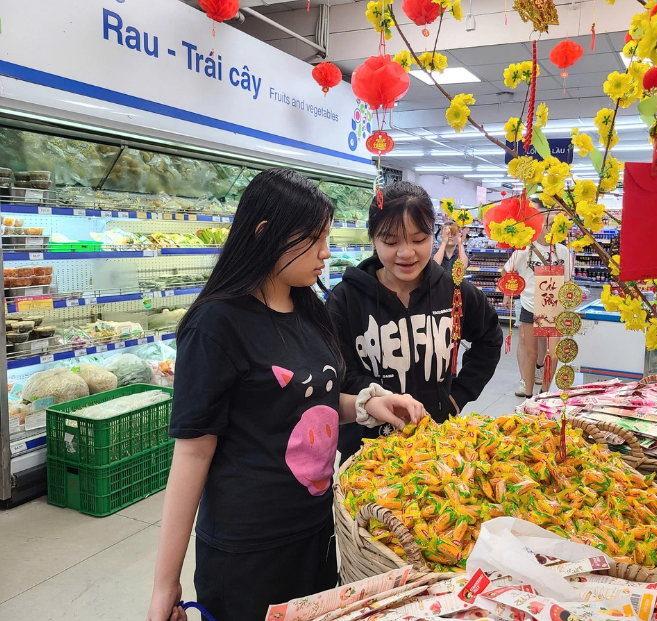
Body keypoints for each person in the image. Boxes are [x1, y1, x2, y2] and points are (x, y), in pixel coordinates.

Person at [147, 169, 424, 621]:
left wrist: (368, 405)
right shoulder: (217, 325)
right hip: (248, 550)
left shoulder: (309, 308)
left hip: (316, 533)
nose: (326, 252)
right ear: (264, 234)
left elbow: (308, 401)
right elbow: (193, 454)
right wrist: (165, 585)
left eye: (327, 236)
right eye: (314, 238)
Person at [328, 181, 503, 463]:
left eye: (419, 239)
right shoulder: (345, 300)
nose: (406, 253)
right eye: (391, 241)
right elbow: (337, 371)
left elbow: (490, 338)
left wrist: (456, 397)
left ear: (433, 236)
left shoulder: (454, 290)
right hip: (367, 454)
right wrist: (375, 399)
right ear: (373, 238)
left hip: (435, 446)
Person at [503, 204, 572, 398]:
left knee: (553, 354)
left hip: (553, 307)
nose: (553, 230)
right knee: (531, 353)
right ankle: (528, 395)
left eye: (558, 226)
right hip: (529, 304)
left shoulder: (563, 252)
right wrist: (509, 292)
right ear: (540, 225)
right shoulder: (525, 249)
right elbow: (506, 270)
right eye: (550, 224)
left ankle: (545, 394)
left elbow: (567, 281)